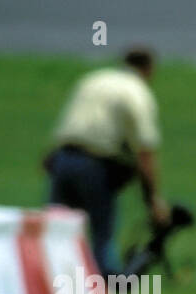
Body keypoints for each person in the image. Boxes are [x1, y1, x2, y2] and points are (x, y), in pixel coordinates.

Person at [44, 47, 168, 278]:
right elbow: (145, 152)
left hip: (62, 159)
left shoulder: (93, 80)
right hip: (95, 166)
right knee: (102, 237)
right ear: (149, 69)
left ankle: (50, 288)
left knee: (54, 233)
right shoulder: (137, 92)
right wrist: (153, 201)